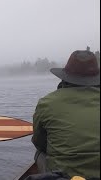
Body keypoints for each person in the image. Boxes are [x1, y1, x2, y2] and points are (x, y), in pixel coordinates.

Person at [31, 50, 100, 179]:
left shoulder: (46, 103)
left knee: (39, 153)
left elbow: (39, 142)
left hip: (64, 176)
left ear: (65, 77)